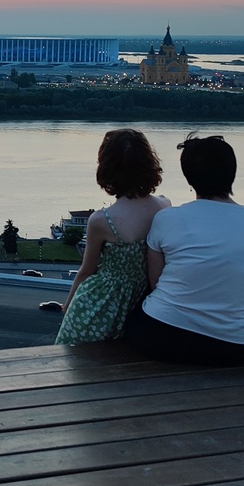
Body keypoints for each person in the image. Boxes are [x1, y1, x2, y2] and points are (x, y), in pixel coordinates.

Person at [125, 134, 244, 365]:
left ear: (189, 177)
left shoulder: (167, 218)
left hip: (161, 337)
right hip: (233, 346)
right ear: (232, 173)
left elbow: (156, 284)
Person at [56, 129, 170, 345]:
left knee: (75, 365)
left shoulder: (101, 220)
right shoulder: (164, 206)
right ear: (149, 164)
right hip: (144, 306)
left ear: (108, 170)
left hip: (101, 307)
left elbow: (87, 272)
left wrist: (68, 305)